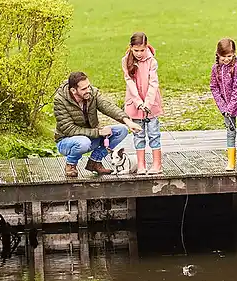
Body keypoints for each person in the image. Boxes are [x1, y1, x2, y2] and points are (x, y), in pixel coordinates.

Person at [54, 71, 142, 178]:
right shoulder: (60, 100)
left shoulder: (92, 93)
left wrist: (128, 122)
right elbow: (69, 129)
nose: (88, 90)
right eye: (84, 89)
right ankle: (71, 165)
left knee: (121, 130)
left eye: (88, 86)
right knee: (83, 142)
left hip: (90, 136)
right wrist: (98, 132)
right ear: (73, 90)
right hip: (67, 141)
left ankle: (95, 161)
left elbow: (108, 106)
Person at [122, 31, 164, 174]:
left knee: (154, 133)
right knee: (138, 134)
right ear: (131, 47)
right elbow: (129, 82)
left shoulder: (152, 61)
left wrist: (148, 102)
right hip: (135, 105)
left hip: (151, 104)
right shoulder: (125, 61)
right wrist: (138, 101)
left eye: (142, 50)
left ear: (146, 47)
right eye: (136, 50)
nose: (139, 53)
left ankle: (157, 164)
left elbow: (154, 83)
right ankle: (141, 164)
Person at [210, 38, 237, 171]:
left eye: (229, 56)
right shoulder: (215, 69)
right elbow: (214, 88)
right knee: (230, 132)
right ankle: (231, 162)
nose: (226, 59)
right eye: (223, 56)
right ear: (218, 54)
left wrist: (230, 107)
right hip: (226, 108)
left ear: (234, 53)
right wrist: (223, 107)